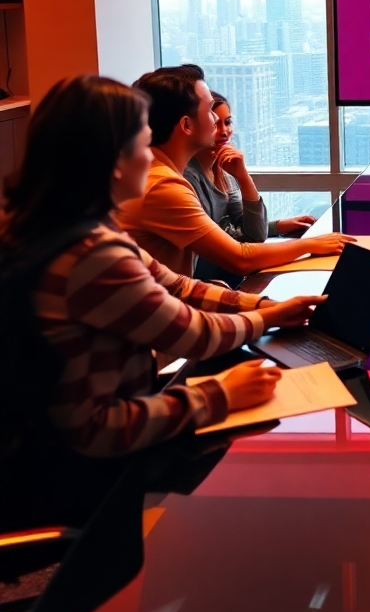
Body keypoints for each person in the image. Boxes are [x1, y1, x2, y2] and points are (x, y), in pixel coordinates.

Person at [0, 75, 328, 465]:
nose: (149, 156)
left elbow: (178, 286)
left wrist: (263, 306)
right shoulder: (92, 254)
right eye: (142, 143)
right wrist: (224, 393)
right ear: (113, 161)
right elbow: (193, 334)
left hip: (69, 432)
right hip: (76, 468)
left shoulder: (63, 227)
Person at [118, 65, 350, 278]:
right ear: (186, 125)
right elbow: (239, 259)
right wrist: (311, 244)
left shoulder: (157, 173)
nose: (218, 124)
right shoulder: (163, 186)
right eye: (210, 111)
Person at [185, 92, 316, 284]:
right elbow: (227, 242)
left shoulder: (225, 170)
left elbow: (254, 234)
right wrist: (308, 245)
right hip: (205, 285)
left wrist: (243, 176)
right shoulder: (188, 177)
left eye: (227, 122)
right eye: (215, 124)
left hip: (230, 280)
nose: (224, 131)